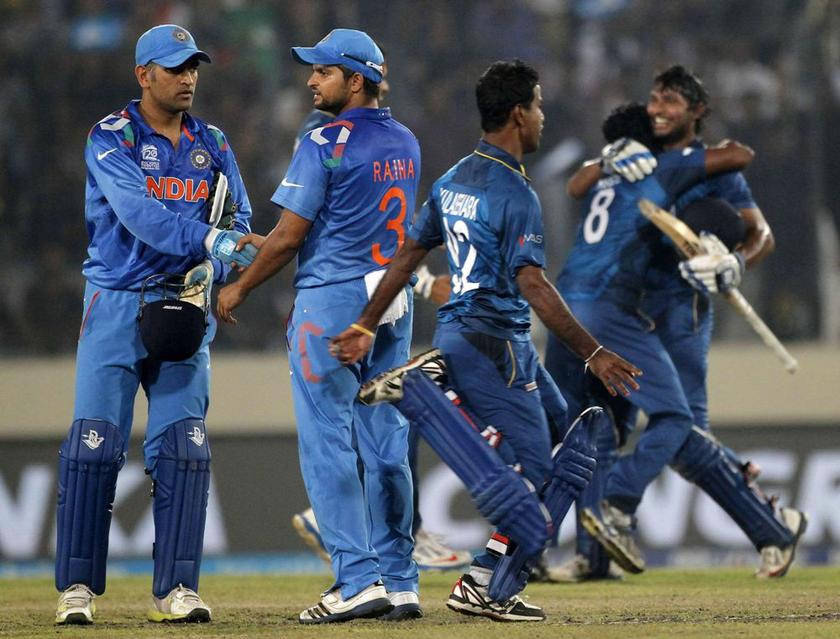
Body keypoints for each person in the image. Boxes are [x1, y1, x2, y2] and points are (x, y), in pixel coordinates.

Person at [331, 59, 640, 622]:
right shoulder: (516, 194)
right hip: (493, 342)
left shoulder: (453, 179)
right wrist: (593, 352)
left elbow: (406, 254)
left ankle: (485, 572)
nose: (543, 116)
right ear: (520, 114)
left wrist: (366, 323)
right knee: (547, 479)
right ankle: (487, 584)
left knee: (568, 449)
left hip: (476, 335)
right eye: (540, 106)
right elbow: (533, 284)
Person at [554, 68, 806, 579]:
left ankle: (771, 527)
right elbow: (579, 183)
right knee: (612, 424)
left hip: (681, 310)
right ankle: (597, 556)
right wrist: (606, 157)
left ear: (696, 111)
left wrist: (738, 262)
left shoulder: (713, 170)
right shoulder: (638, 157)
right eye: (652, 98)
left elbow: (761, 234)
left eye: (670, 100)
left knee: (684, 433)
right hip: (630, 309)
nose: (657, 108)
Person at [217, 29, 423, 623]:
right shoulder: (405, 139)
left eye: (323, 71)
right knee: (386, 444)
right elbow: (345, 221)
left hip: (331, 304)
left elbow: (289, 236)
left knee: (327, 437)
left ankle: (357, 579)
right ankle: (400, 580)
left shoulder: (325, 140)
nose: (311, 80)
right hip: (390, 299)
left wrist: (241, 285)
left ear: (355, 80)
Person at [55, 24, 255, 625]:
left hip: (185, 303)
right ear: (144, 75)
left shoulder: (214, 143)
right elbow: (142, 216)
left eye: (193, 66)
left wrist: (215, 264)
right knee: (94, 446)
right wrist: (210, 239)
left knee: (185, 450)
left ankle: (177, 592)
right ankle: (78, 591)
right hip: (115, 303)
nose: (188, 77)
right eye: (175, 68)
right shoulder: (110, 138)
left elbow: (239, 214)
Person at [288, 64, 472, 573]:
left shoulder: (371, 134)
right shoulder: (335, 137)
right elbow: (364, 236)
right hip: (347, 289)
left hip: (365, 288)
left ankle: (385, 540)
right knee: (371, 413)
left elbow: (381, 237)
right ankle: (378, 540)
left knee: (379, 409)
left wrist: (421, 282)